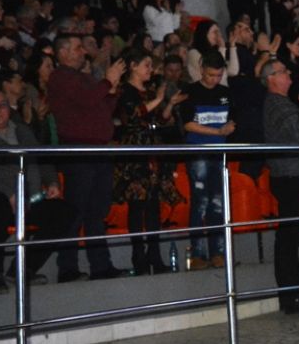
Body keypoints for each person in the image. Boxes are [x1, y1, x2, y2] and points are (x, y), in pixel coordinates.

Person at [0, 89, 78, 290]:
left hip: (27, 198)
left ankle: (23, 269)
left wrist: (52, 182)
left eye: (2, 105)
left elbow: (41, 158)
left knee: (65, 212)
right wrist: (8, 193)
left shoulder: (22, 131)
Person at [47, 34, 127, 282]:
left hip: (98, 150)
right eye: (77, 48)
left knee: (96, 211)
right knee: (76, 210)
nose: (83, 52)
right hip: (79, 150)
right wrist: (107, 81)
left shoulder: (83, 78)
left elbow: (101, 108)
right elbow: (87, 100)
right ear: (62, 53)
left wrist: (111, 90)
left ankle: (101, 266)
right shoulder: (60, 77)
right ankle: (67, 268)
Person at [114, 48, 187, 275]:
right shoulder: (125, 91)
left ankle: (154, 254)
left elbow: (161, 119)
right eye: (146, 65)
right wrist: (158, 100)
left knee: (154, 204)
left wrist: (169, 104)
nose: (150, 70)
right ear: (133, 66)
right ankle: (138, 256)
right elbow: (133, 117)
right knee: (137, 204)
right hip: (136, 152)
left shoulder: (150, 91)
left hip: (153, 150)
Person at [261, 58, 299, 314]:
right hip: (289, 175)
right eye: (283, 71)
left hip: (292, 173)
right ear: (271, 79)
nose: (288, 75)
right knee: (288, 237)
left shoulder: (282, 103)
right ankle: (290, 295)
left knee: (291, 236)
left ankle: (293, 293)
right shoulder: (277, 105)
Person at [178, 51, 235, 270]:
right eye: (211, 75)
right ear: (201, 70)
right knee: (200, 202)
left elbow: (233, 119)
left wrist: (229, 127)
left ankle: (218, 252)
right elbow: (188, 124)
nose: (214, 79)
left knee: (218, 203)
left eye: (218, 75)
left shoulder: (226, 93)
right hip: (198, 152)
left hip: (219, 153)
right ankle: (198, 254)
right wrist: (218, 132)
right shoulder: (190, 91)